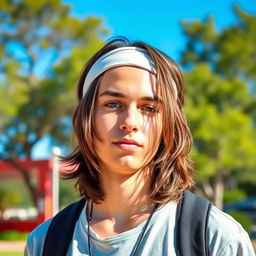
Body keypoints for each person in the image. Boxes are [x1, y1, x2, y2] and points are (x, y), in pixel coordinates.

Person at [25, 37, 255, 256]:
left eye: (150, 108)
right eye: (113, 104)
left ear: (169, 125)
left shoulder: (216, 238)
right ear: (86, 117)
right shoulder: (45, 242)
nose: (130, 123)